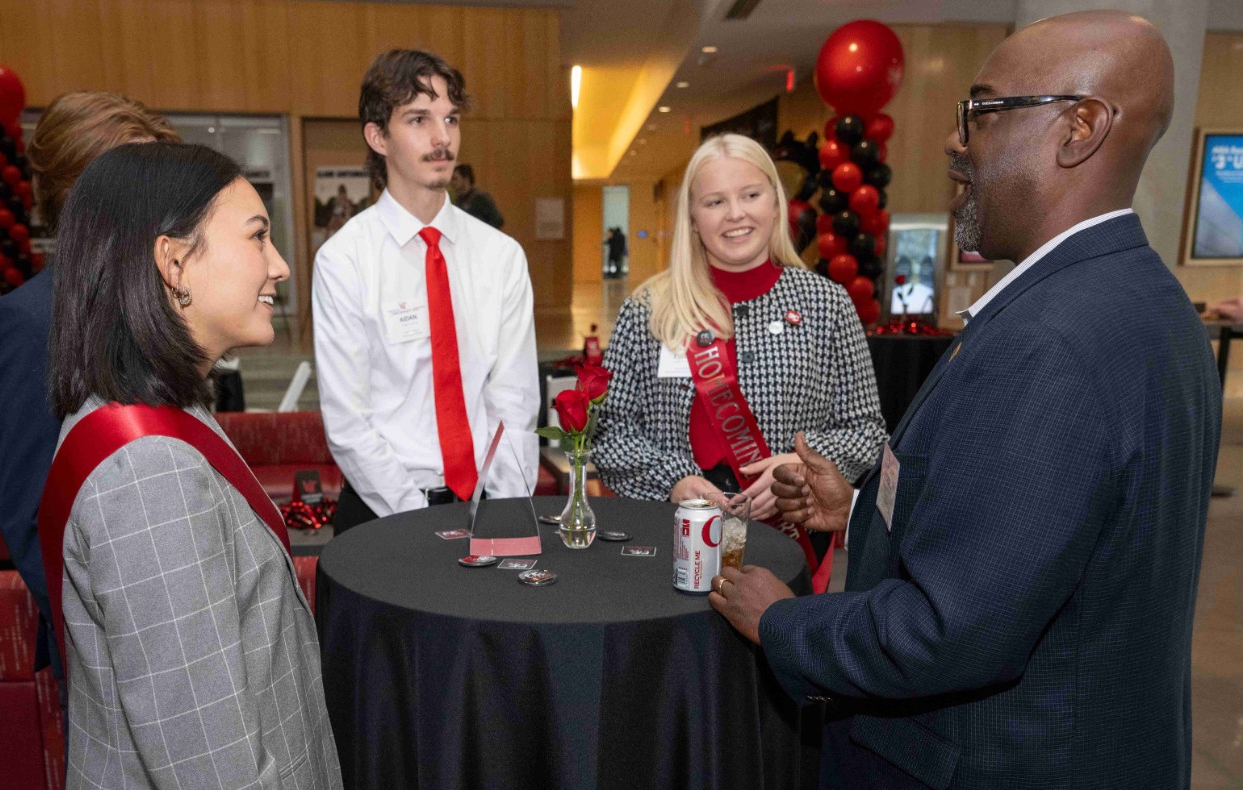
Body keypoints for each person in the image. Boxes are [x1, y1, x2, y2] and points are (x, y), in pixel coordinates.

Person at [711, 12, 1221, 790]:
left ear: (1077, 127)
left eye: (981, 115)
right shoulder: (1138, 303)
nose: (951, 142)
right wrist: (856, 511)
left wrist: (784, 627)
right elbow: (1047, 537)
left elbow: (949, 628)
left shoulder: (1055, 340)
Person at [42, 141, 349, 790]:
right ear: (172, 263)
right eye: (256, 236)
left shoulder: (148, 410)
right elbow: (198, 728)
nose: (280, 264)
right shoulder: (147, 470)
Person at [0, 90, 178, 790]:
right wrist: (105, 626)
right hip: (97, 623)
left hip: (181, 608)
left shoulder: (159, 301)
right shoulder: (22, 323)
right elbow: (27, 516)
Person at [592, 132, 886, 592]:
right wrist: (674, 482)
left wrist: (801, 466)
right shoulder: (648, 308)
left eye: (751, 194)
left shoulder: (827, 305)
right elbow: (610, 434)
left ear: (775, 203)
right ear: (692, 217)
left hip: (789, 540)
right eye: (714, 201)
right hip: (674, 538)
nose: (735, 214)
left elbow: (866, 430)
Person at [313, 48, 538, 532]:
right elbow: (350, 423)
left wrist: (503, 511)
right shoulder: (344, 260)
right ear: (378, 136)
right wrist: (417, 522)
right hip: (383, 513)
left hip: (488, 507)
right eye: (419, 119)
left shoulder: (502, 256)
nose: (442, 139)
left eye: (451, 119)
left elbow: (515, 403)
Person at [449, 162, 504, 229]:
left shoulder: (481, 198)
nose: (452, 183)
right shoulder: (458, 200)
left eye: (455, 179)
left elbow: (498, 220)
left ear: (466, 179)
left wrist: (483, 233)